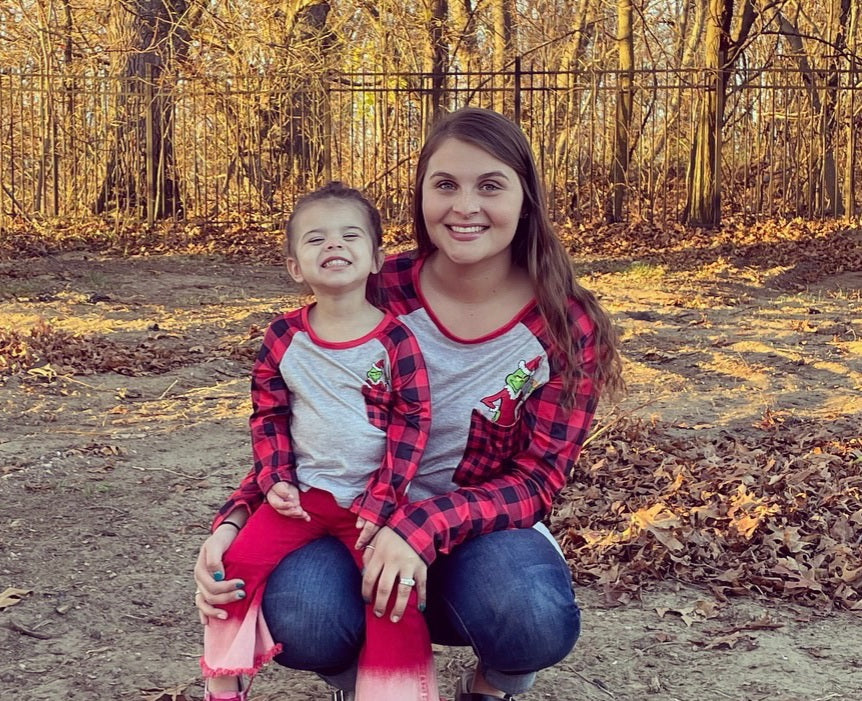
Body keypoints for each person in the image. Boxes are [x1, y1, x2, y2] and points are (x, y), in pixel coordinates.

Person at [194, 107, 624, 701]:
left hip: (478, 535)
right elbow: (306, 420)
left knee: (533, 614)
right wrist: (235, 520)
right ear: (421, 197)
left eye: (490, 186)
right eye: (445, 185)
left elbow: (538, 478)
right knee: (301, 613)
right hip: (353, 518)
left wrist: (420, 526)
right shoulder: (376, 289)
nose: (465, 207)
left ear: (526, 199)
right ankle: (361, 683)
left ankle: (493, 685)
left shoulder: (565, 325)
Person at [196, 181, 438, 701]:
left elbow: (413, 423)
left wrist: (383, 500)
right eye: (316, 239)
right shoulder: (284, 337)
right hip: (302, 499)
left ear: (376, 259)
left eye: (350, 235)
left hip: (373, 508)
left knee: (393, 595)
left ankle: (397, 691)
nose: (333, 245)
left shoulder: (396, 340)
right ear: (294, 267)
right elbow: (269, 414)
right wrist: (275, 479)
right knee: (234, 567)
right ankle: (224, 675)